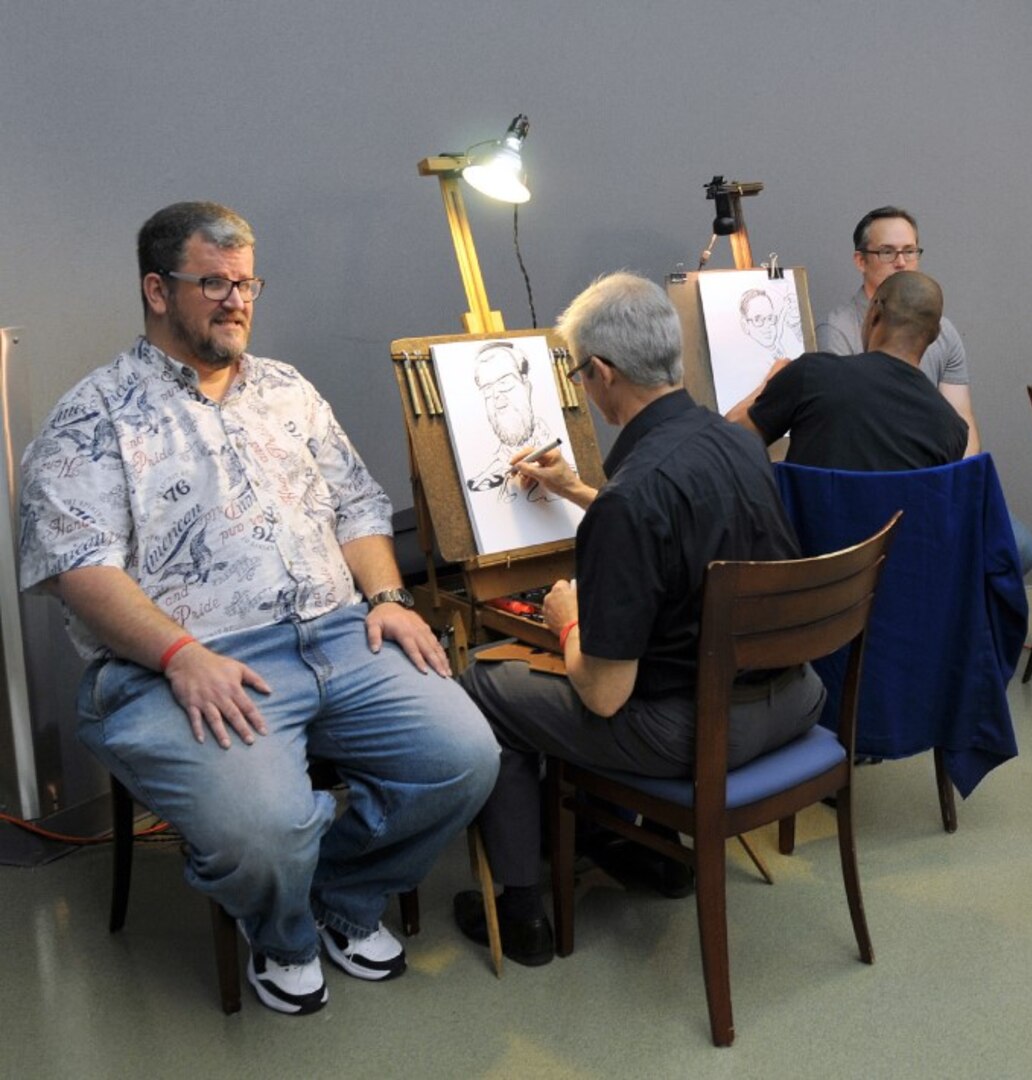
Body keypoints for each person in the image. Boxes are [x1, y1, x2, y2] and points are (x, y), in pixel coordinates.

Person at [16, 201, 500, 1016]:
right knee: (263, 828)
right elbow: (80, 568)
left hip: (340, 635)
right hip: (185, 663)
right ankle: (282, 935)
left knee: (464, 757)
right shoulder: (92, 416)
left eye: (247, 283)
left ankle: (341, 897)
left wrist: (385, 596)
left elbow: (356, 507)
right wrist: (180, 656)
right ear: (158, 289)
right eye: (214, 283)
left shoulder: (287, 390)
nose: (237, 300)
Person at [454, 272, 826, 965]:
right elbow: (677, 535)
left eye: (577, 373)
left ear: (600, 373)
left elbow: (603, 695)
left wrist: (567, 620)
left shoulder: (636, 496)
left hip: (699, 733)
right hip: (795, 699)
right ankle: (626, 844)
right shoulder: (734, 441)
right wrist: (580, 493)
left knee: (485, 683)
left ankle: (519, 909)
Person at [732, 271, 967, 470]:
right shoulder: (951, 429)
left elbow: (728, 443)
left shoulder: (813, 374)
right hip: (898, 526)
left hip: (806, 525)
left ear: (874, 313)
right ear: (935, 335)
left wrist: (769, 384)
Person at [815, 206, 979, 455]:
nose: (901, 263)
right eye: (887, 252)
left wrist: (960, 482)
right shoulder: (837, 331)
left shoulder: (943, 330)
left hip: (935, 475)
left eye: (909, 251)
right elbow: (848, 427)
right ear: (861, 260)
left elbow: (962, 424)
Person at [465, 340, 566, 502]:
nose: (498, 400)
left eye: (505, 383)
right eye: (487, 391)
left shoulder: (563, 455)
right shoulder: (485, 478)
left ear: (526, 386)